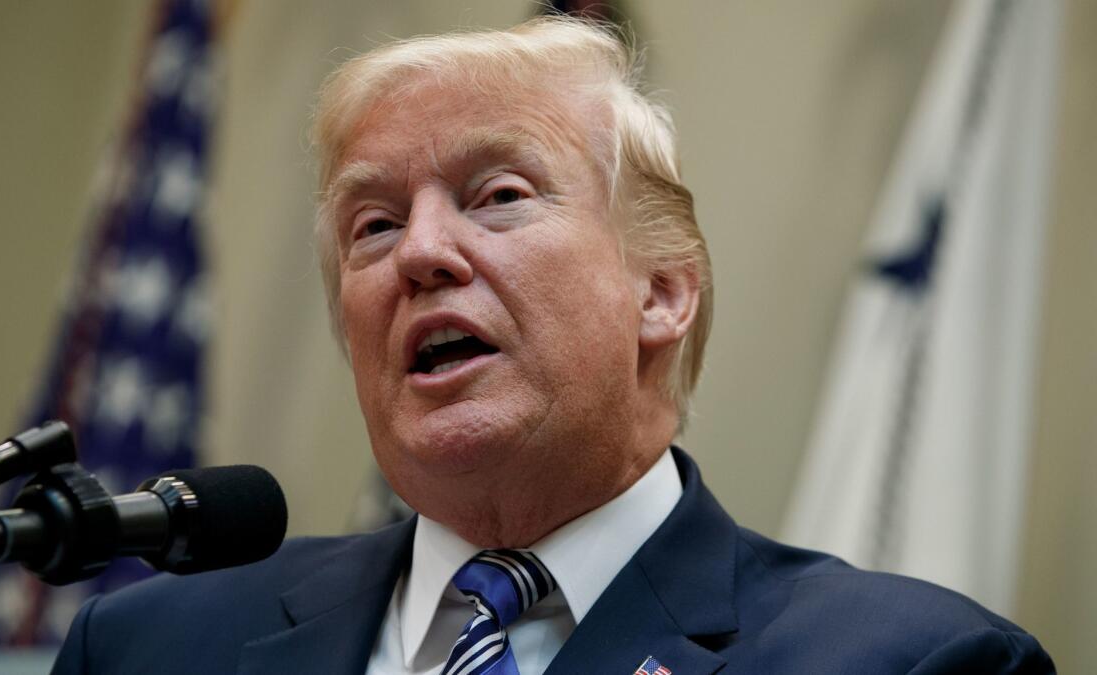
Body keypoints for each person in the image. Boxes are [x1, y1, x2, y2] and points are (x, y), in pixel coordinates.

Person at [53, 17, 1053, 674]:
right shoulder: (146, 649)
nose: (423, 253)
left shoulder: (916, 664)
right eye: (375, 225)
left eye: (498, 197)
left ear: (661, 294)